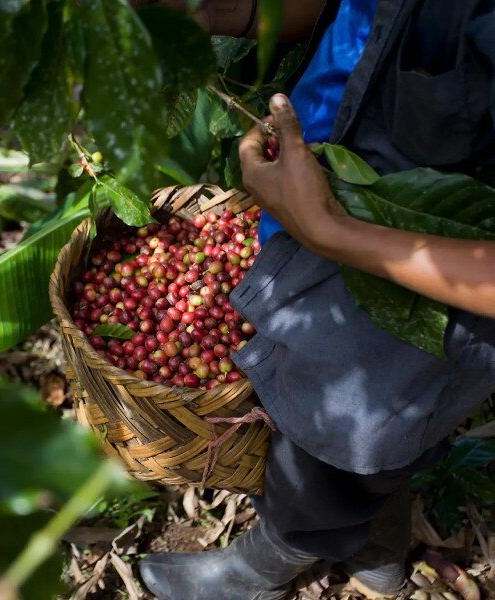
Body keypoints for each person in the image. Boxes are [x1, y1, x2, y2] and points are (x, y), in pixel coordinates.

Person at [133, 1, 495, 599]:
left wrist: (335, 232)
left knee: (340, 435)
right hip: (325, 230)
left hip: (420, 278)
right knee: (345, 414)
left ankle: (265, 569)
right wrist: (235, 11)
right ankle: (377, 546)